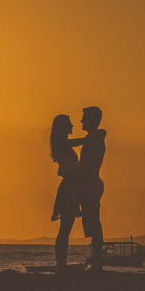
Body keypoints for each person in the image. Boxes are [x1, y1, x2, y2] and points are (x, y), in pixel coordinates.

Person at [49, 114, 84, 271]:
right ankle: (61, 265)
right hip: (68, 189)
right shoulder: (62, 144)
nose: (72, 126)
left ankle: (61, 264)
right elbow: (75, 142)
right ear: (63, 128)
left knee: (65, 229)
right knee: (65, 230)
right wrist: (89, 139)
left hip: (71, 188)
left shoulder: (63, 145)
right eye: (69, 124)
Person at [78, 106, 106, 269]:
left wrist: (75, 171)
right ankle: (97, 263)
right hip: (87, 186)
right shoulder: (93, 138)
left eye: (85, 118)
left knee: (94, 225)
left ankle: (97, 263)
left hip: (91, 187)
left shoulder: (95, 140)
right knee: (93, 224)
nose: (81, 121)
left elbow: (90, 166)